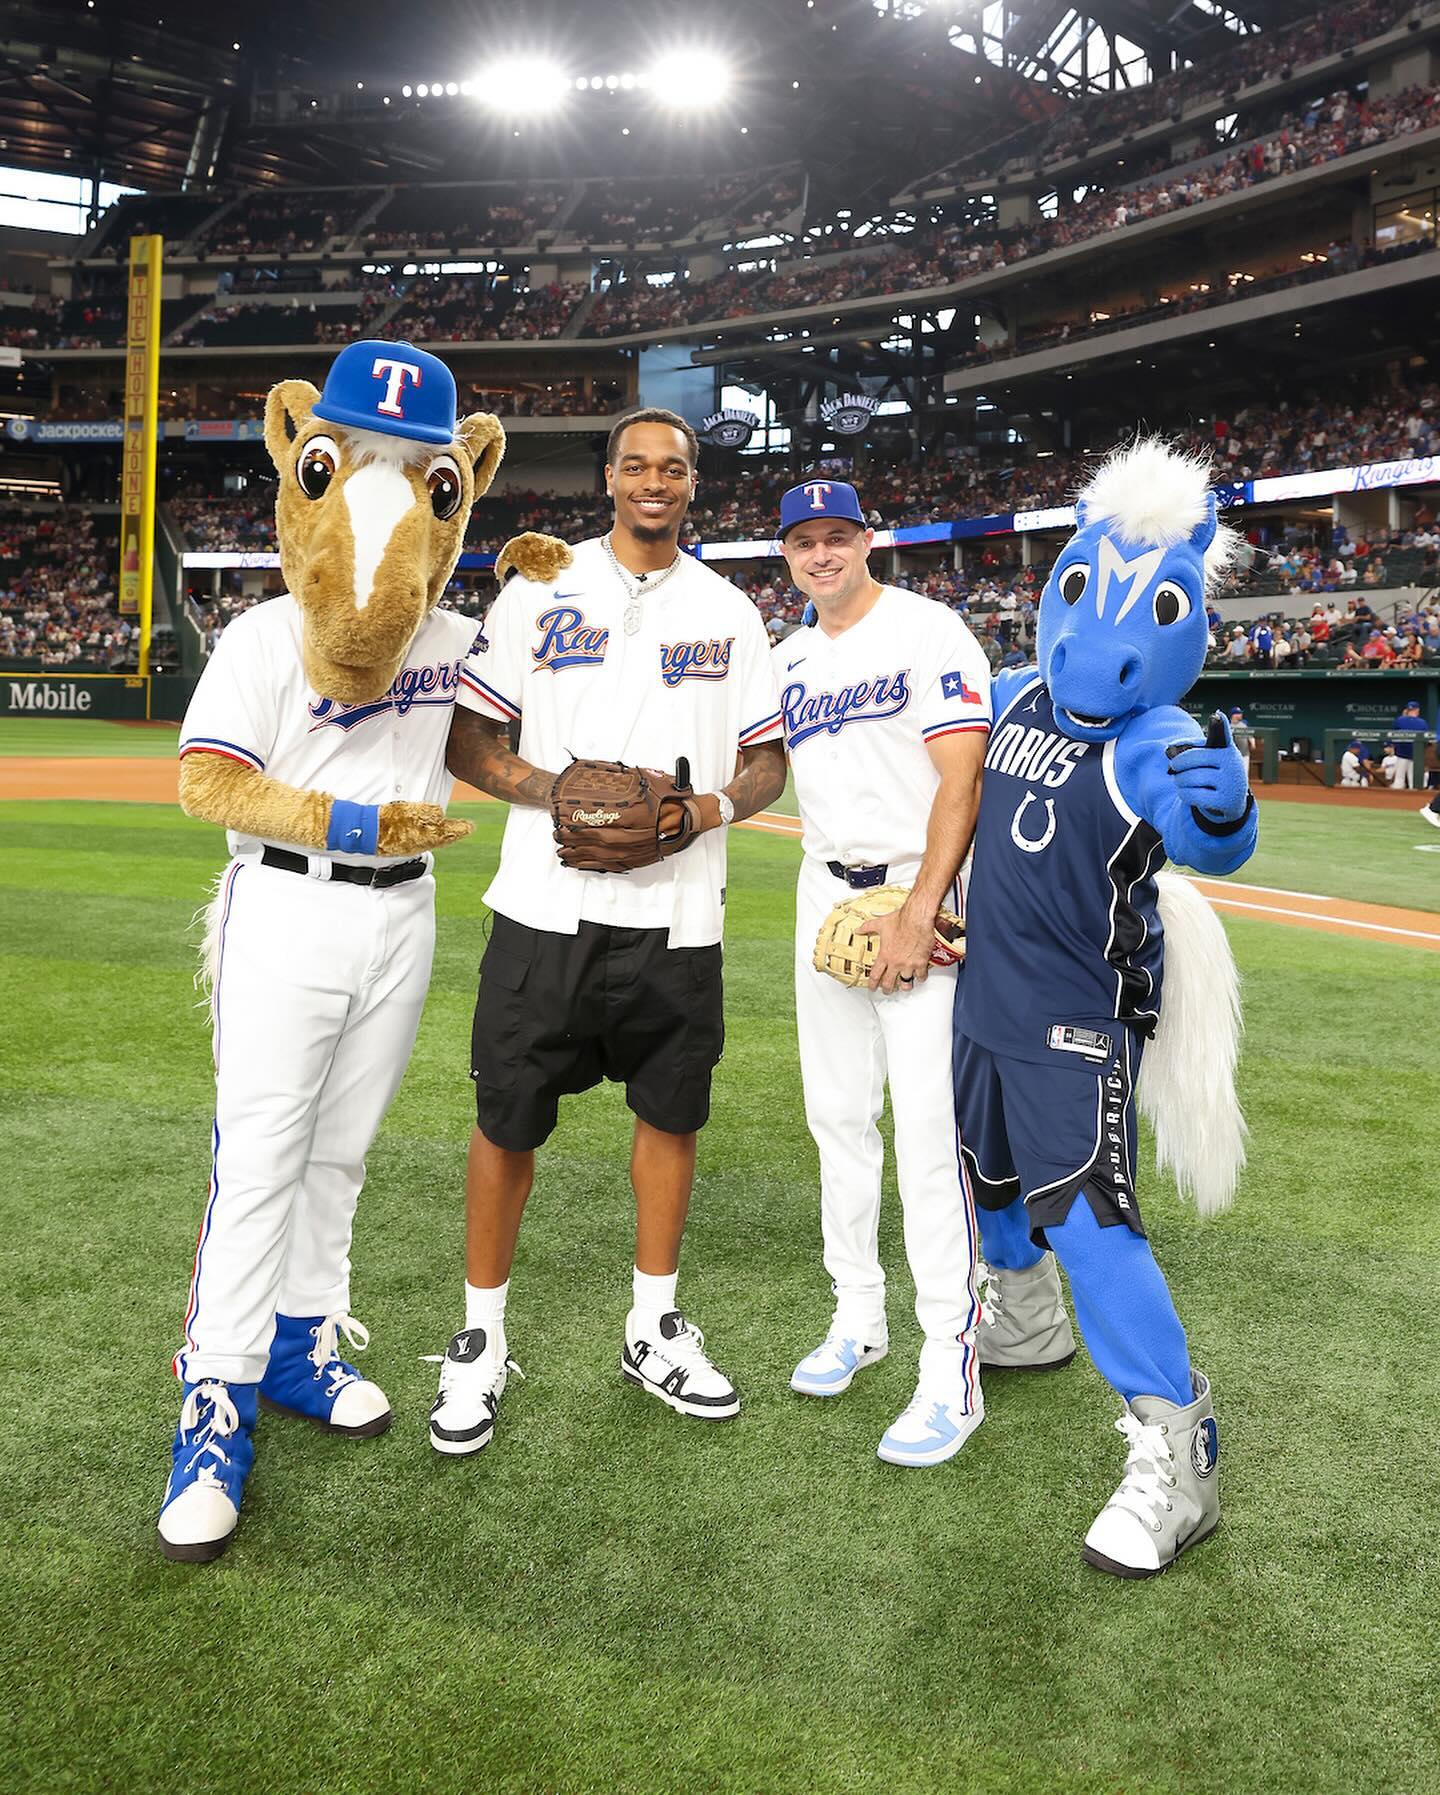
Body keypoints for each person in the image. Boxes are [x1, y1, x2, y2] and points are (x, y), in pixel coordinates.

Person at [429, 408, 788, 1454]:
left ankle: (653, 1325)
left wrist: (703, 809)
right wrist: (561, 793)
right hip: (542, 908)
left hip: (678, 914)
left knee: (670, 1118)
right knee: (506, 1121)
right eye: (636, 464)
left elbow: (767, 762)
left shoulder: (732, 610)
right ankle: (480, 1339)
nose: (653, 481)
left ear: (693, 484)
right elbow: (468, 737)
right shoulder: (539, 588)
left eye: (672, 467)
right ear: (610, 477)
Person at [774, 479, 992, 1466]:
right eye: (804, 542)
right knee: (837, 1117)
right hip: (824, 894)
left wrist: (916, 912)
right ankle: (858, 1315)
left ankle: (951, 1356)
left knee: (927, 1133)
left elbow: (963, 776)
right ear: (786, 555)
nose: (822, 555)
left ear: (868, 541)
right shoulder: (787, 659)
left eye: (837, 537)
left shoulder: (928, 630)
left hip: (923, 895)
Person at [1390, 699, 1427, 789]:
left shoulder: (1399, 720)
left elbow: (1393, 735)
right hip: (1416, 755)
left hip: (1401, 753)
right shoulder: (1422, 722)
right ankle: (1413, 800)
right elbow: (1425, 741)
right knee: (1413, 781)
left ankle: (1395, 800)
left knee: (1399, 779)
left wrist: (1404, 716)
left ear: (1407, 710)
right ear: (1417, 710)